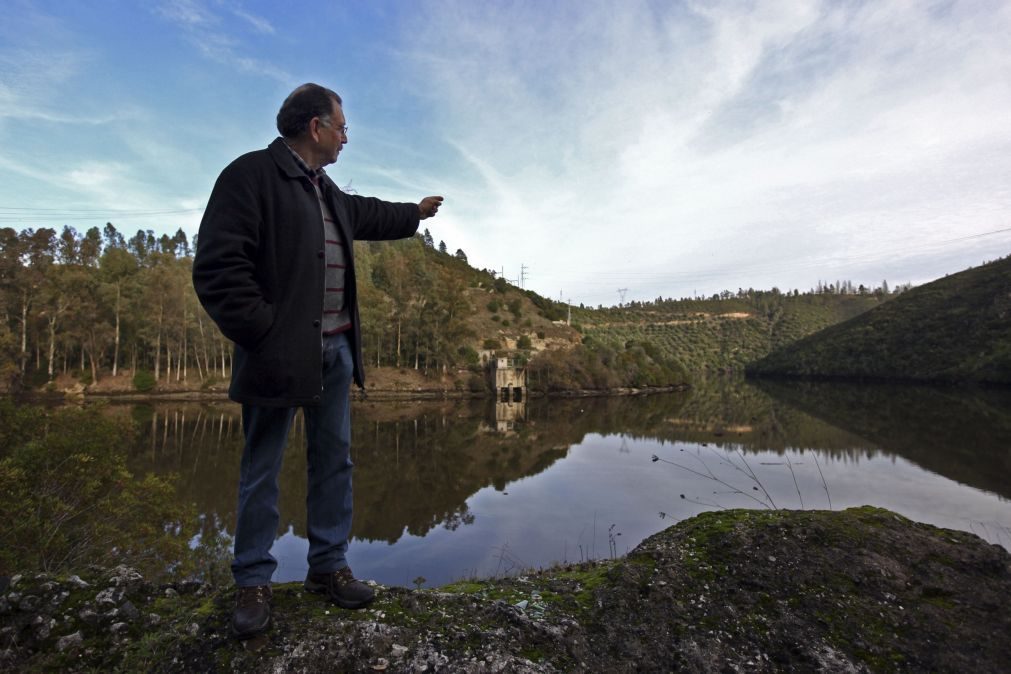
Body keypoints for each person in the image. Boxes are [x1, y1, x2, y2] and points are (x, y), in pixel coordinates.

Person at [192, 83, 443, 639]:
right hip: (275, 355)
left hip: (336, 350)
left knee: (335, 461)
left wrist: (414, 213)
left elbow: (367, 214)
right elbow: (216, 269)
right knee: (262, 469)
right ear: (315, 127)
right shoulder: (250, 175)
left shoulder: (325, 189)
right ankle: (252, 581)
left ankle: (328, 568)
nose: (346, 137)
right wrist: (264, 332)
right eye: (343, 127)